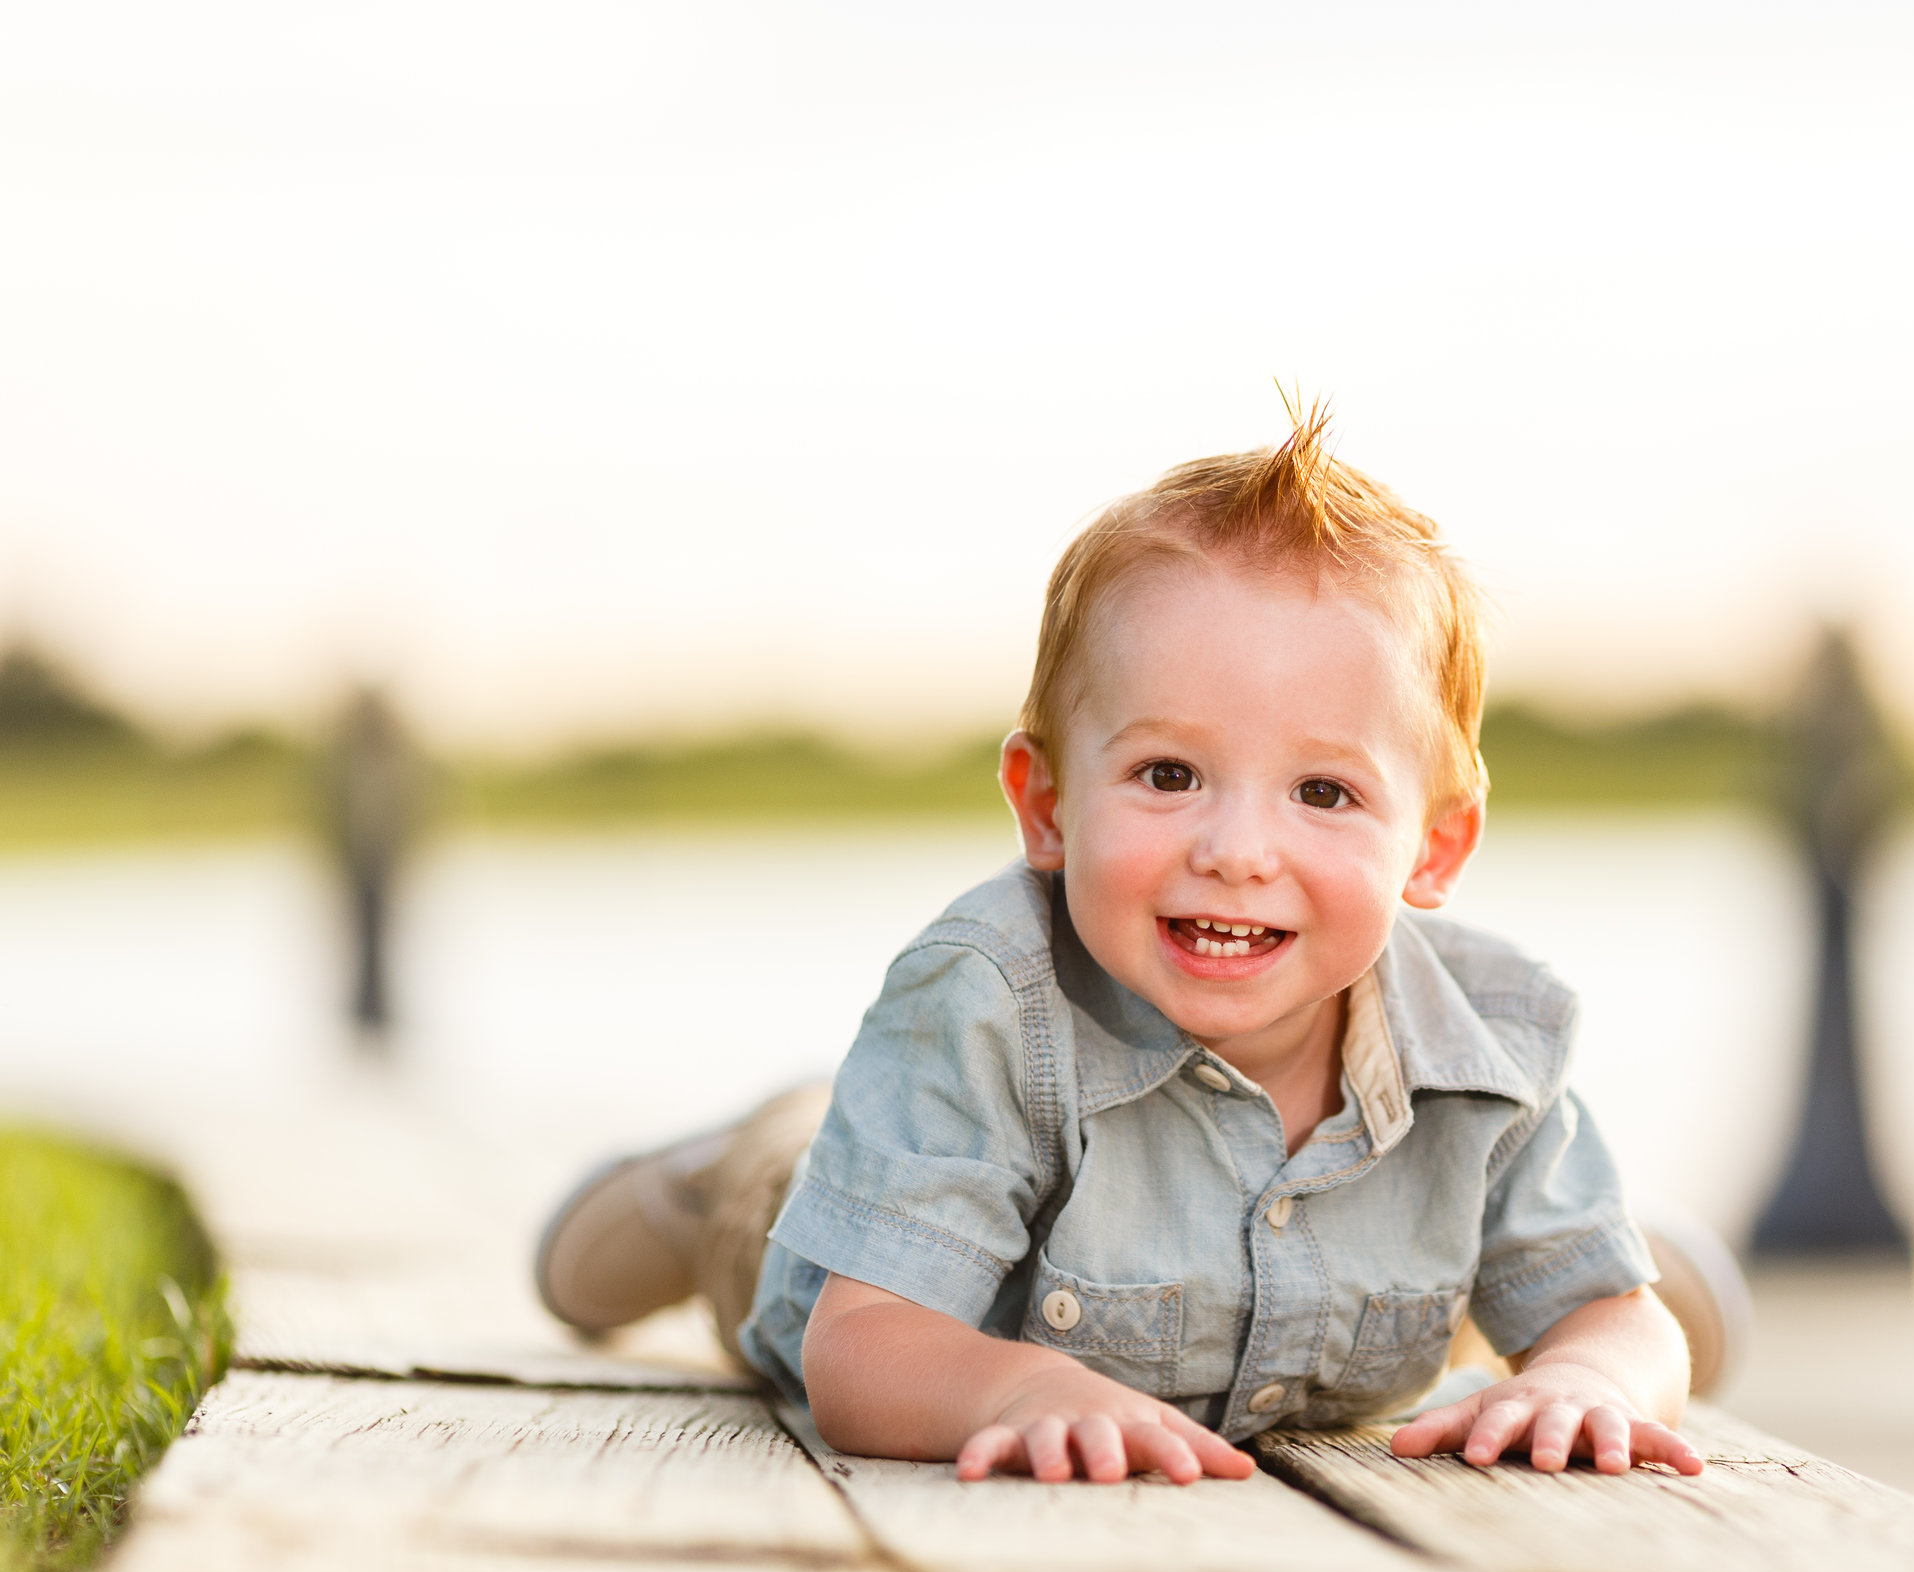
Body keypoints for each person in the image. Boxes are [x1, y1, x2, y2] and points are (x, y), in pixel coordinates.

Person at [534, 411, 1747, 1485]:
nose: (1236, 848)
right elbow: (863, 1351)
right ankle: (746, 1163)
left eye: (1322, 793)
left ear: (1433, 845)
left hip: (1330, 1317)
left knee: (1591, 1302)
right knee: (776, 1202)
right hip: (853, 1240)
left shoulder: (1489, 1041)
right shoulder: (987, 1001)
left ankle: (1604, 1232)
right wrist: (1017, 1386)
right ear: (1048, 806)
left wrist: (1592, 1367)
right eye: (1169, 774)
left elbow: (1619, 1332)